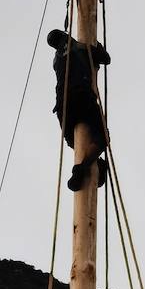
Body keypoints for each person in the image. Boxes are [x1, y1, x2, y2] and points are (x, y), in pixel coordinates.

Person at [46, 29, 110, 191]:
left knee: (76, 142)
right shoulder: (80, 46)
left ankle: (94, 165)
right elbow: (106, 59)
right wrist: (97, 48)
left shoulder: (56, 60)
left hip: (63, 107)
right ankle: (82, 168)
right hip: (82, 98)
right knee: (102, 138)